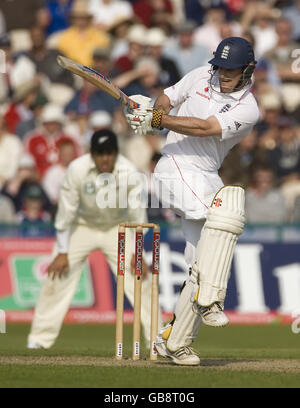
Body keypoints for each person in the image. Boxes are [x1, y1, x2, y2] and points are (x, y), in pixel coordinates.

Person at [126, 36, 260, 365]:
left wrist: (158, 121)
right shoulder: (201, 75)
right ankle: (211, 299)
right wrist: (153, 116)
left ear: (248, 69)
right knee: (223, 219)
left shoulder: (248, 108)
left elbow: (203, 128)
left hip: (205, 173)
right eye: (221, 67)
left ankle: (173, 341)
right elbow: (167, 98)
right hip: (173, 167)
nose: (223, 74)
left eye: (231, 70)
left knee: (201, 261)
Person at [27, 128, 161, 349]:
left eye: (109, 153)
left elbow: (137, 215)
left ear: (116, 152)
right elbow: (66, 212)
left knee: (140, 279)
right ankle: (39, 339)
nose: (105, 158)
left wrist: (138, 253)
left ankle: (156, 338)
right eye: (100, 153)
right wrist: (62, 252)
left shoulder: (128, 171)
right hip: (83, 226)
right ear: (92, 154)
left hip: (117, 227)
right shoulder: (77, 169)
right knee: (56, 276)